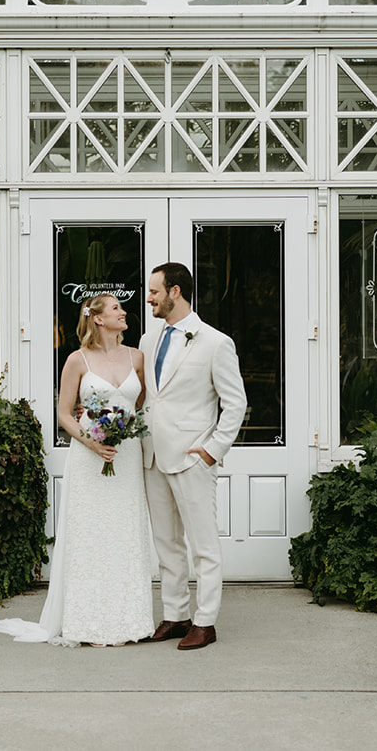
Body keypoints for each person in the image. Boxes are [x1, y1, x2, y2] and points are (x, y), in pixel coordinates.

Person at [0, 292, 156, 646]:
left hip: (125, 459)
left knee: (124, 535)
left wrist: (121, 429)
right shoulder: (77, 360)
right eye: (116, 309)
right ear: (97, 318)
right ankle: (87, 620)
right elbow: (64, 414)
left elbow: (139, 405)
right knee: (90, 537)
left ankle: (129, 620)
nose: (124, 313)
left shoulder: (137, 357)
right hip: (89, 457)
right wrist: (93, 440)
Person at [138, 261, 247, 651]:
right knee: (166, 543)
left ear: (176, 292)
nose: (149, 298)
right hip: (152, 456)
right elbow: (148, 398)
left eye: (154, 291)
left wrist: (212, 450)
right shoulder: (149, 341)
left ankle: (206, 621)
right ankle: (176, 614)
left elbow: (235, 404)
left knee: (203, 546)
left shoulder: (215, 342)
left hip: (192, 457)